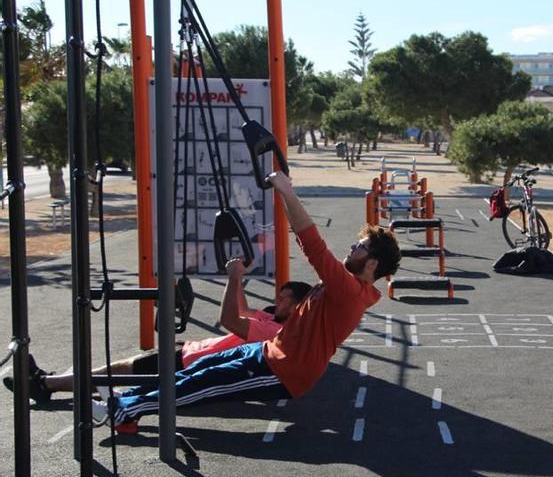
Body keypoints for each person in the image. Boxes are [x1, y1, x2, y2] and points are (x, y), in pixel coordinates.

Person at [92, 171, 401, 431]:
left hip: (284, 372)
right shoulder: (347, 285)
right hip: (269, 351)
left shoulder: (349, 290)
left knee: (201, 386)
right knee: (199, 368)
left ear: (372, 264)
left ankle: (123, 409)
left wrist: (286, 191)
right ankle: (125, 400)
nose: (350, 249)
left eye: (358, 247)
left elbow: (312, 243)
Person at [4, 271, 311, 403]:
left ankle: (46, 384)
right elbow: (241, 308)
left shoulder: (277, 331)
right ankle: (51, 381)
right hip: (192, 351)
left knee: (115, 373)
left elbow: (229, 318)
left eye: (287, 300)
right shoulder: (270, 315)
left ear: (300, 307)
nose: (279, 302)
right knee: (115, 371)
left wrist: (233, 278)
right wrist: (239, 276)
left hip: (191, 363)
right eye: (280, 296)